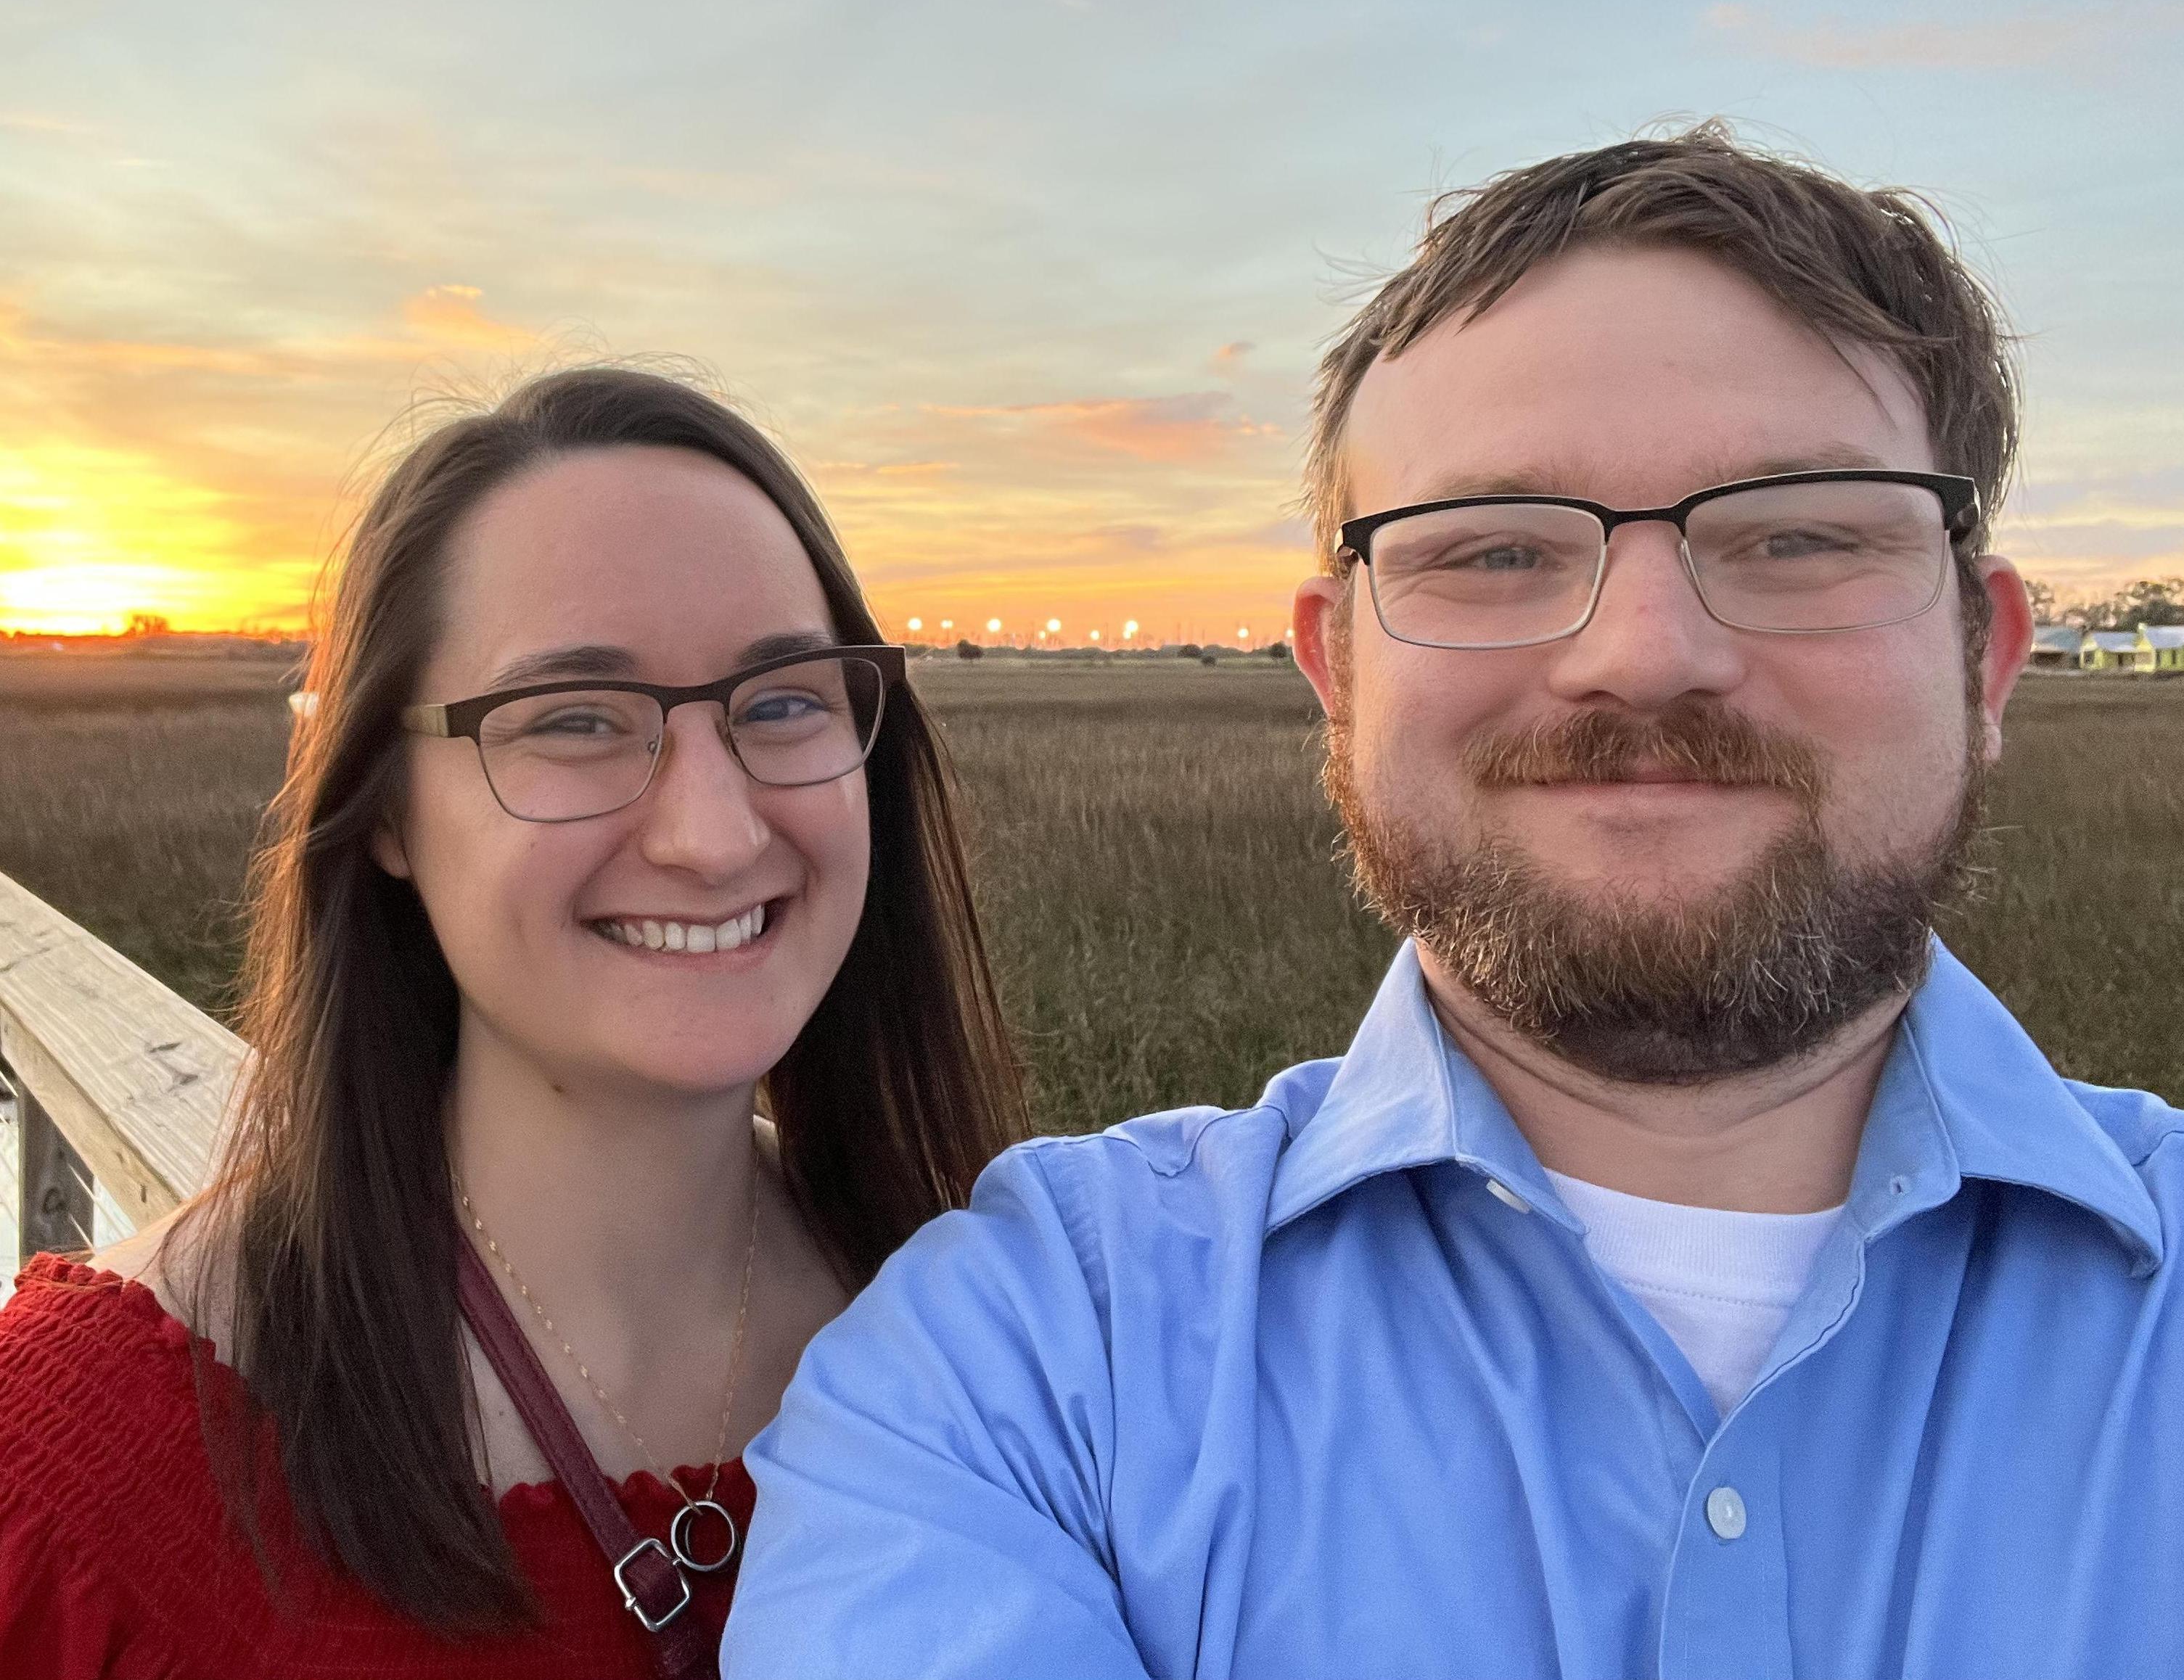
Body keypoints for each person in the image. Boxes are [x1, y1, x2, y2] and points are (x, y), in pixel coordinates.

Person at [721, 126, 2184, 1680]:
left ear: (1982, 654)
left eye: (1799, 534)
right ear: (1336, 673)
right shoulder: (1025, 1364)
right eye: (1490, 552)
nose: (1639, 653)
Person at [0, 367, 1026, 1679]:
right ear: (380, 810)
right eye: (574, 722)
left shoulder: (1011, 1351)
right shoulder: (94, 1486)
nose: (712, 836)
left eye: (781, 704)